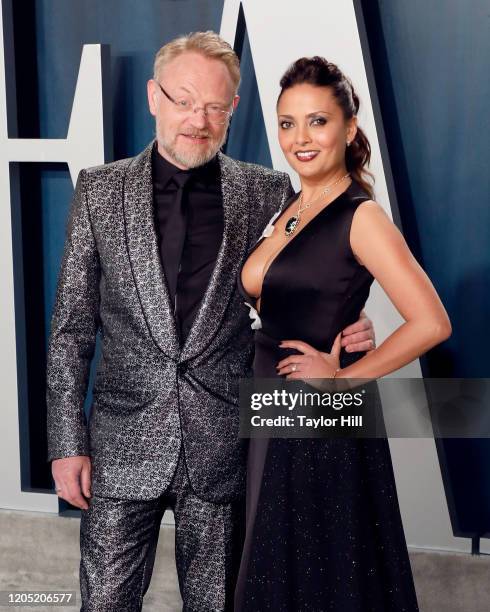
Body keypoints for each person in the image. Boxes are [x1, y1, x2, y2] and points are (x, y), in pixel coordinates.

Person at [46, 34, 374, 612]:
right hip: (121, 443)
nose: (198, 120)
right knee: (105, 603)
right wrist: (66, 444)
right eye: (183, 101)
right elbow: (72, 329)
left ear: (234, 109)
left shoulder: (266, 190)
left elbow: (298, 280)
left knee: (220, 605)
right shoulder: (99, 190)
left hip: (223, 442)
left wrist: (349, 322)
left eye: (215, 107)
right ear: (154, 97)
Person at [236, 57, 451, 611]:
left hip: (316, 417)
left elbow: (431, 321)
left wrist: (342, 378)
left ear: (349, 127)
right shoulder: (292, 207)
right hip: (269, 404)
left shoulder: (361, 215)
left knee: (318, 580)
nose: (300, 138)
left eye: (317, 121)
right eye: (287, 123)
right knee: (274, 571)